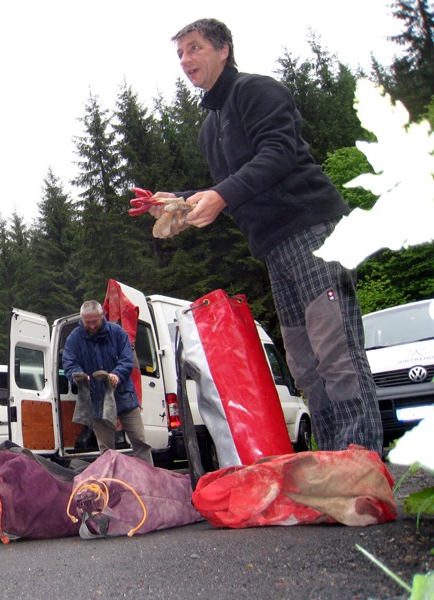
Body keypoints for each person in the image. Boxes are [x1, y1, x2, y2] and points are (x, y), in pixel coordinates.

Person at [148, 18, 382, 455]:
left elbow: (279, 154)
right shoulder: (209, 128)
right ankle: (334, 464)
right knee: (304, 366)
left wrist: (219, 195)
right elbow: (234, 184)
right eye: (180, 53)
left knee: (337, 355)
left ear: (224, 49)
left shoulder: (256, 91)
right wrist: (177, 202)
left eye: (194, 48)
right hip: (275, 250)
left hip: (313, 230)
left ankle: (363, 470)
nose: (185, 60)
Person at [62, 300, 153, 465]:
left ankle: (149, 480)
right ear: (82, 319)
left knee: (140, 441)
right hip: (96, 398)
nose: (91, 326)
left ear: (101, 316)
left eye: (94, 321)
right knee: (106, 450)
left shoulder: (117, 332)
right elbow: (69, 362)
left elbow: (127, 360)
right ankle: (112, 482)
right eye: (87, 322)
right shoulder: (74, 338)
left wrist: (117, 375)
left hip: (124, 395)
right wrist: (79, 376)